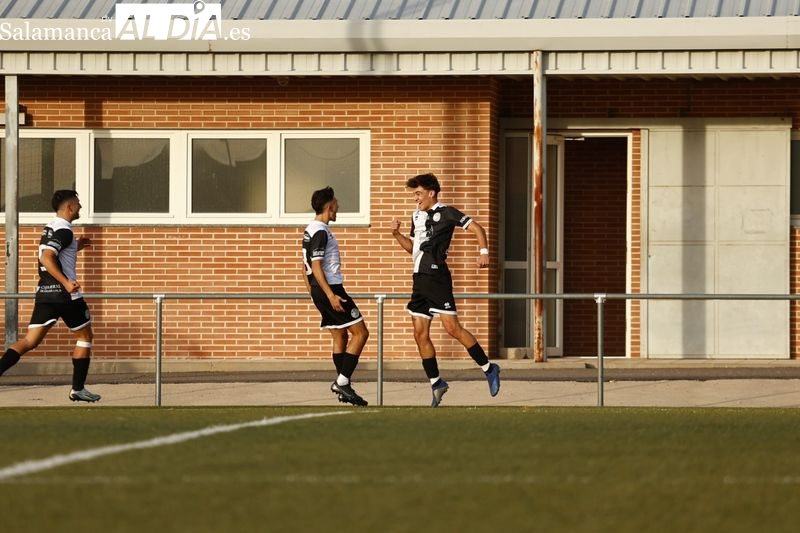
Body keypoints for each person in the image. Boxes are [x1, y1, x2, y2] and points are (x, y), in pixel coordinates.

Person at [391, 173, 500, 407]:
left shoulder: (447, 212)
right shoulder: (416, 215)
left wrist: (483, 252)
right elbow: (414, 249)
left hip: (438, 277)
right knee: (419, 334)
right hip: (419, 279)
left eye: (418, 194)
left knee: (452, 329)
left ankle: (489, 368)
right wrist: (397, 235)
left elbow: (478, 228)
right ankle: (437, 382)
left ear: (431, 193)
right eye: (414, 195)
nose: (415, 199)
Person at [0, 190, 100, 402]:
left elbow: (51, 251)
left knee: (29, 341)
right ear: (69, 207)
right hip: (66, 296)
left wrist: (76, 246)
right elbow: (47, 258)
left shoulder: (52, 228)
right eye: (78, 203)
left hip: (45, 294)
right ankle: (78, 389)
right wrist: (66, 282)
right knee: (85, 337)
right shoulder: (64, 231)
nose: (80, 207)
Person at [303, 186, 370, 407]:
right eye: (336, 204)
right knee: (360, 333)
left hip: (319, 290)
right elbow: (315, 265)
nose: (338, 207)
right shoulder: (321, 230)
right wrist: (330, 295)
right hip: (331, 289)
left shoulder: (310, 230)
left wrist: (314, 293)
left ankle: (344, 385)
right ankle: (342, 382)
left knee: (339, 336)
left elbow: (303, 267)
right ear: (329, 206)